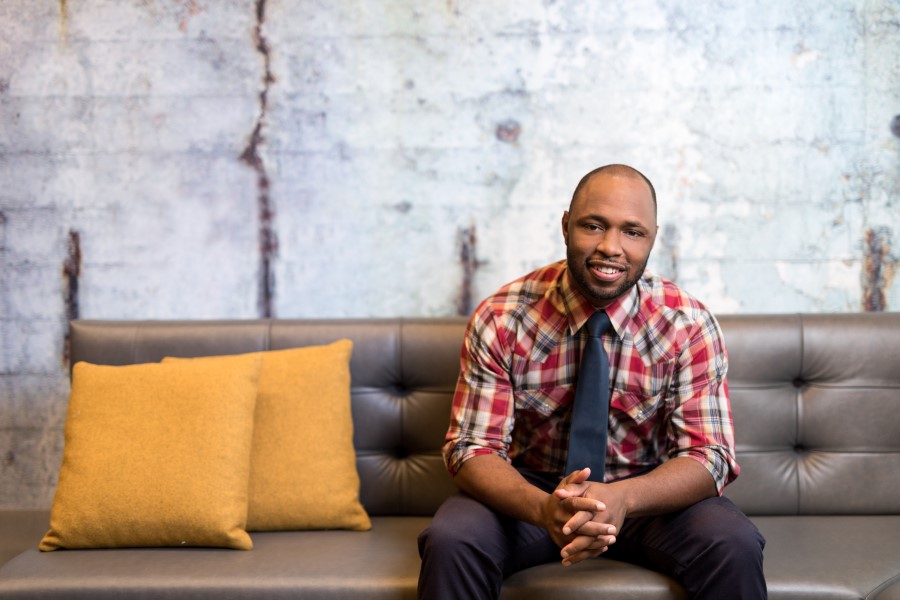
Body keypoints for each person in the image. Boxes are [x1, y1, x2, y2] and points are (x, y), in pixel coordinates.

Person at [417, 164, 766, 599]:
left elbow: (709, 454)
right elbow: (472, 448)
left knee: (732, 543)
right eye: (594, 225)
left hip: (647, 496)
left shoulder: (687, 324)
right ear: (566, 225)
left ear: (652, 239)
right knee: (453, 540)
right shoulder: (502, 317)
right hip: (532, 492)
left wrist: (624, 498)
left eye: (632, 232)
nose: (610, 247)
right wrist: (543, 508)